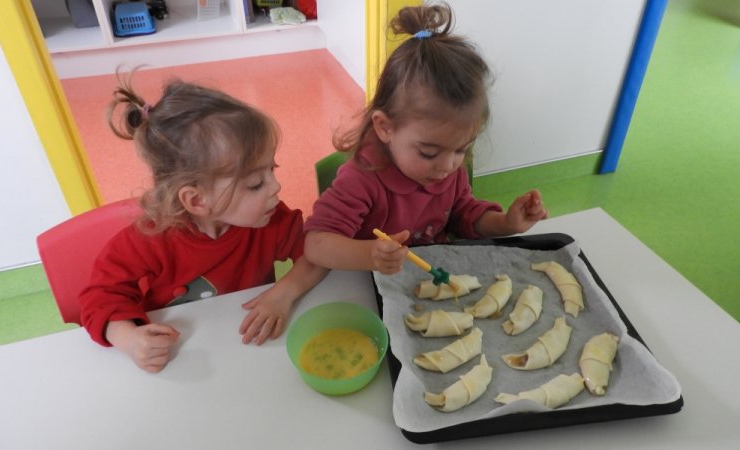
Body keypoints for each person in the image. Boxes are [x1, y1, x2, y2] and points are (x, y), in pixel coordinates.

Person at [79, 69, 328, 372]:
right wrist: (129, 338)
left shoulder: (269, 220)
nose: (275, 187)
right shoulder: (149, 239)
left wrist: (284, 293)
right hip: (181, 358)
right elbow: (99, 296)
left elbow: (318, 251)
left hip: (246, 354)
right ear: (197, 200)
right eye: (255, 184)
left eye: (270, 171)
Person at [304, 3, 548, 274]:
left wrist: (506, 224)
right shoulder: (361, 178)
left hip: (429, 277)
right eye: (429, 153)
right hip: (371, 287)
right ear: (385, 128)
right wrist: (370, 255)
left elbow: (463, 214)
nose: (447, 166)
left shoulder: (448, 168)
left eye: (461, 149)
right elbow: (316, 243)